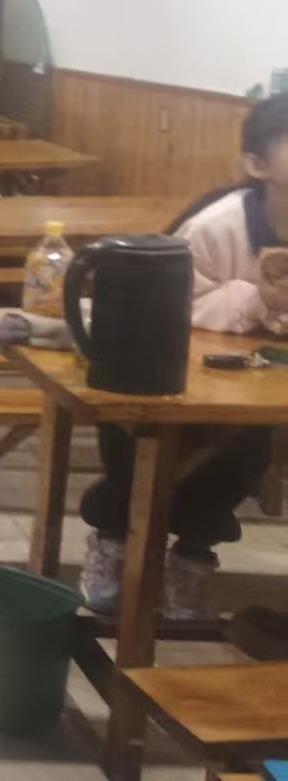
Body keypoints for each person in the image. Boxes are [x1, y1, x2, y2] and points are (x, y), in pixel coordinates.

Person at [78, 95, 288, 619]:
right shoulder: (216, 226)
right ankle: (113, 539)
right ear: (256, 164)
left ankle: (193, 555)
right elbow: (169, 306)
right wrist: (253, 300)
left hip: (259, 383)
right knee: (139, 439)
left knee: (246, 453)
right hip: (169, 370)